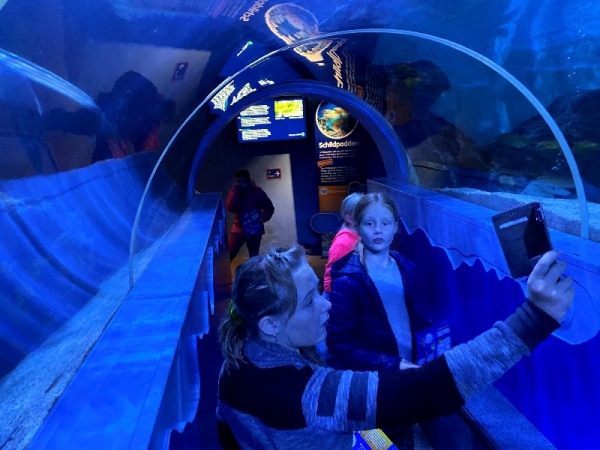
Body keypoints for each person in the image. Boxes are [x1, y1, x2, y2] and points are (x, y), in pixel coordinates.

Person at [216, 244, 573, 449]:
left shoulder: (236, 361)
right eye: (310, 301)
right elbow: (426, 389)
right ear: (270, 324)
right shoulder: (305, 394)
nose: (326, 304)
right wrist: (534, 318)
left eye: (319, 291)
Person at [43, 70, 176, 162]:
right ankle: (44, 121)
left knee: (103, 164)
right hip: (105, 113)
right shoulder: (149, 90)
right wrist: (117, 101)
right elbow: (129, 77)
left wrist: (143, 155)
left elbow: (142, 149)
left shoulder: (152, 124)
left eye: (162, 119)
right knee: (77, 122)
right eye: (161, 114)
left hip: (112, 135)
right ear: (162, 104)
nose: (159, 117)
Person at [225, 169, 275, 261]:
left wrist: (263, 217)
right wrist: (235, 193)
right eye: (238, 182)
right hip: (239, 229)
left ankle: (253, 270)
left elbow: (269, 208)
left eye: (242, 182)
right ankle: (224, 271)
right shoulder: (234, 192)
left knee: (254, 257)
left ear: (248, 181)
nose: (240, 184)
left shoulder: (257, 192)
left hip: (254, 229)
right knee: (229, 255)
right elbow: (230, 208)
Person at [322, 192, 363, 295]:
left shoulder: (361, 235)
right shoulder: (343, 242)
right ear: (350, 219)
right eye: (362, 213)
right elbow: (329, 281)